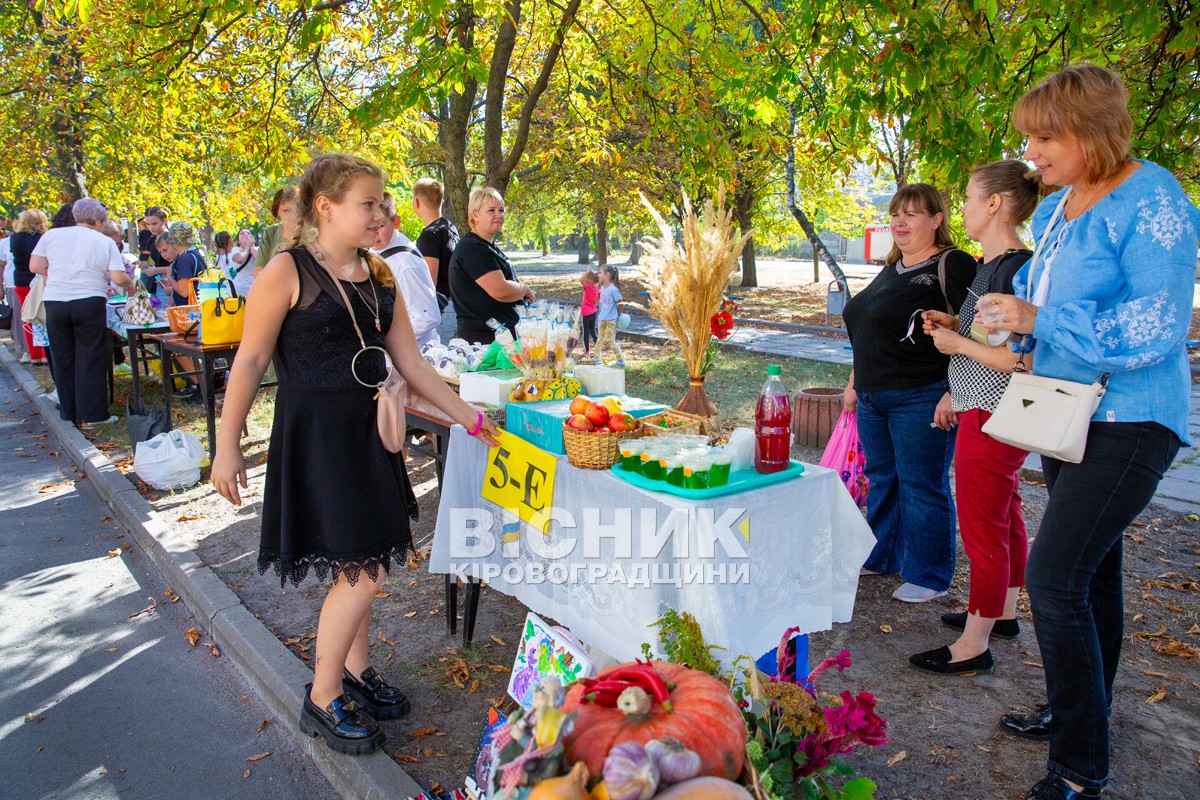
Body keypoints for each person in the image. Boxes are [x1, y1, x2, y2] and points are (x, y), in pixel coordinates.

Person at [210, 153, 499, 756]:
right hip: (317, 438)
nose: (382, 213)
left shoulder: (381, 275)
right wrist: (226, 447)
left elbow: (412, 363)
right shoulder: (285, 272)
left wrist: (469, 417)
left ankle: (356, 672)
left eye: (383, 202)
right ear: (326, 207)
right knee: (364, 570)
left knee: (363, 563)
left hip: (370, 435)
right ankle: (321, 695)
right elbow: (250, 362)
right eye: (368, 203)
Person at [973, 65, 1199, 800]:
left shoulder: (1154, 198)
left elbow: (1158, 325)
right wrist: (1013, 321)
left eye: (1045, 136)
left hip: (1133, 418)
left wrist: (1039, 319)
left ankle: (1079, 765)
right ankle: (1083, 709)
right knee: (1094, 575)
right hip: (1068, 410)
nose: (1030, 151)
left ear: (1091, 130)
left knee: (1054, 576)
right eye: (1028, 136)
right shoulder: (1063, 211)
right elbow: (1052, 318)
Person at [904, 161, 1039, 676]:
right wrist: (958, 323)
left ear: (994, 204)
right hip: (989, 408)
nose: (961, 207)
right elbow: (995, 334)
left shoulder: (1011, 268)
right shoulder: (998, 264)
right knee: (1006, 513)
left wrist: (954, 342)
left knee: (982, 524)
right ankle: (1002, 612)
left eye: (966, 197)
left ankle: (973, 644)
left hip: (994, 411)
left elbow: (1019, 356)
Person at [842, 183, 976, 603]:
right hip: (871, 396)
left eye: (912, 214)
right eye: (896, 213)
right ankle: (883, 556)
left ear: (937, 220)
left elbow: (974, 330)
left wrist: (956, 391)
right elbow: (869, 331)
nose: (899, 221)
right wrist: (853, 383)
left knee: (922, 484)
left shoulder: (952, 264)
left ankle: (930, 574)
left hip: (922, 394)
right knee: (884, 479)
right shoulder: (892, 267)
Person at [29, 198, 135, 427]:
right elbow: (118, 277)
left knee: (62, 356)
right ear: (98, 221)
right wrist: (130, 283)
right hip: (89, 300)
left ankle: (69, 411)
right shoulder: (103, 241)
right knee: (91, 357)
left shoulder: (51, 236)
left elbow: (35, 267)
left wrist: (59, 273)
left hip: (56, 301)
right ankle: (94, 414)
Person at [448, 186, 534, 343]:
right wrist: (524, 289)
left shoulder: (487, 247)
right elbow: (500, 290)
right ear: (475, 215)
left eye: (501, 210)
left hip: (500, 340)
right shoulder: (473, 247)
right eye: (491, 210)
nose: (498, 215)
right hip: (484, 343)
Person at [372, 192, 440, 348]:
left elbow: (427, 318)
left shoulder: (404, 264)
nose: (374, 232)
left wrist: (384, 336)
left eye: (380, 226)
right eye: (369, 226)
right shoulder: (378, 249)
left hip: (416, 351)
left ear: (395, 222)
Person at [10, 208, 49, 364]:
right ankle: (45, 353)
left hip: (21, 280)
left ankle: (34, 356)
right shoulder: (43, 238)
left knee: (28, 316)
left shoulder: (15, 239)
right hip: (40, 279)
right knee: (43, 316)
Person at [412, 177, 458, 304]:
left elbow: (430, 281)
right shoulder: (450, 228)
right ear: (442, 201)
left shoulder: (430, 235)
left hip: (441, 308)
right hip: (455, 302)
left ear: (416, 202)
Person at [0, 220, 27, 362]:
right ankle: (23, 348)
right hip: (12, 283)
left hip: (34, 283)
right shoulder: (6, 242)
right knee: (17, 317)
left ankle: (37, 349)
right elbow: (1, 266)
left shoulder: (42, 239)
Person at [257, 186, 300, 272]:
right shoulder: (270, 233)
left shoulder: (313, 233)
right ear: (277, 212)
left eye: (296, 209)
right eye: (286, 210)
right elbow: (258, 270)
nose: (292, 215)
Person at [594, 264, 624, 366]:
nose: (598, 274)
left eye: (599, 272)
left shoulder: (613, 289)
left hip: (611, 319)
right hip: (602, 318)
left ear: (607, 275)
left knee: (610, 340)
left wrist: (620, 314)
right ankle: (597, 359)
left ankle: (620, 361)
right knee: (600, 339)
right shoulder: (602, 288)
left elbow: (620, 301)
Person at [138, 206, 172, 293]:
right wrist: (147, 268)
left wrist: (156, 270)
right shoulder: (151, 240)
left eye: (154, 224)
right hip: (156, 282)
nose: (151, 228)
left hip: (172, 281)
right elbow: (155, 263)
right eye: (148, 224)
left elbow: (178, 266)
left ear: (164, 221)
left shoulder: (171, 239)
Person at [578, 268, 599, 355]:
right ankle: (598, 348)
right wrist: (594, 305)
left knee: (586, 331)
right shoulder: (595, 288)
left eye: (586, 277)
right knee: (593, 331)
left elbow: (580, 280)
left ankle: (586, 350)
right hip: (593, 311)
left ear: (589, 279)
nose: (585, 278)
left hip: (586, 312)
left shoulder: (588, 287)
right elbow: (598, 298)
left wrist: (587, 271)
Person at [230, 229, 256, 296]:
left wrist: (252, 247)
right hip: (240, 290)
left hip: (255, 288)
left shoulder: (258, 250)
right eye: (242, 234)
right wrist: (247, 246)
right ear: (238, 241)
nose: (246, 235)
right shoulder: (236, 250)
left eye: (248, 233)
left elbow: (260, 262)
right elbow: (239, 259)